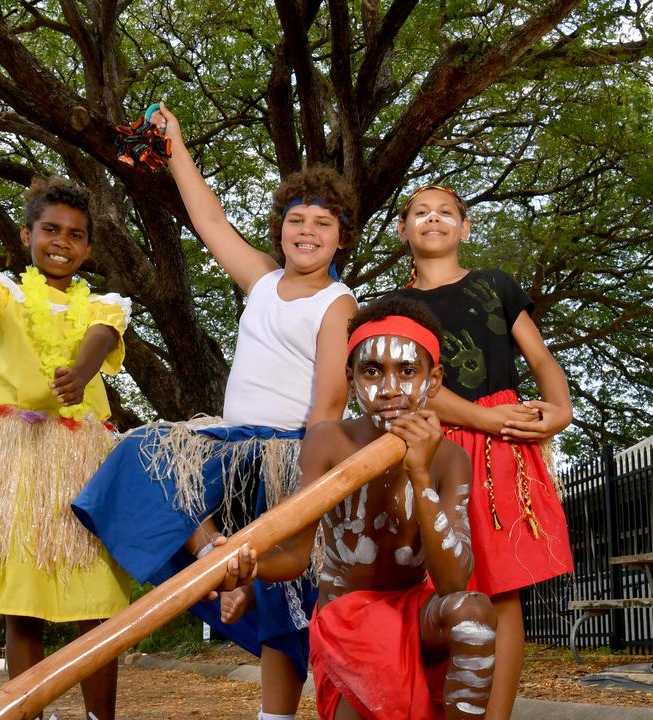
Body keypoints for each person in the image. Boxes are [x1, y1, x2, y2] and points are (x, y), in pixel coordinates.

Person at [71, 103, 357, 720]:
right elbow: (209, 220)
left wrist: (307, 491)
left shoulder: (338, 301)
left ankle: (274, 714)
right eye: (295, 220)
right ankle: (213, 556)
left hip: (286, 451)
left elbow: (332, 399)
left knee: (284, 599)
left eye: (322, 223)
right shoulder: (260, 278)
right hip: (226, 444)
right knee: (138, 454)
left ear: (341, 236)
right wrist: (173, 144)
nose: (306, 231)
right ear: (280, 230)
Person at [218, 295, 498, 719]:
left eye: (407, 371)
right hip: (346, 618)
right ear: (350, 381)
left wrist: (420, 473)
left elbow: (453, 582)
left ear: (434, 379)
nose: (389, 388)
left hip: (417, 614)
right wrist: (248, 565)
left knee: (473, 615)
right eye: (372, 371)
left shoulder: (448, 458)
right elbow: (295, 555)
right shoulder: (329, 441)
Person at [0, 177, 133, 720]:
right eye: (50, 229)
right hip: (15, 456)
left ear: (89, 247)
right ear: (27, 234)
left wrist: (81, 371)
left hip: (80, 458)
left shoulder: (103, 303)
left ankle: (100, 718)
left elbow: (101, 336)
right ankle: (28, 713)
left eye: (76, 235)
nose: (62, 242)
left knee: (95, 603)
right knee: (22, 604)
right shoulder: (5, 290)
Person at [393, 183, 574, 720]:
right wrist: (482, 417)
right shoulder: (396, 308)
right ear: (403, 230)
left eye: (446, 212)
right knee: (437, 588)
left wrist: (560, 410)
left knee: (502, 589)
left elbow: (539, 357)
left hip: (504, 451)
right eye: (420, 212)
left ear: (464, 228)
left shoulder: (495, 284)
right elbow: (416, 387)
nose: (433, 219)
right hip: (436, 445)